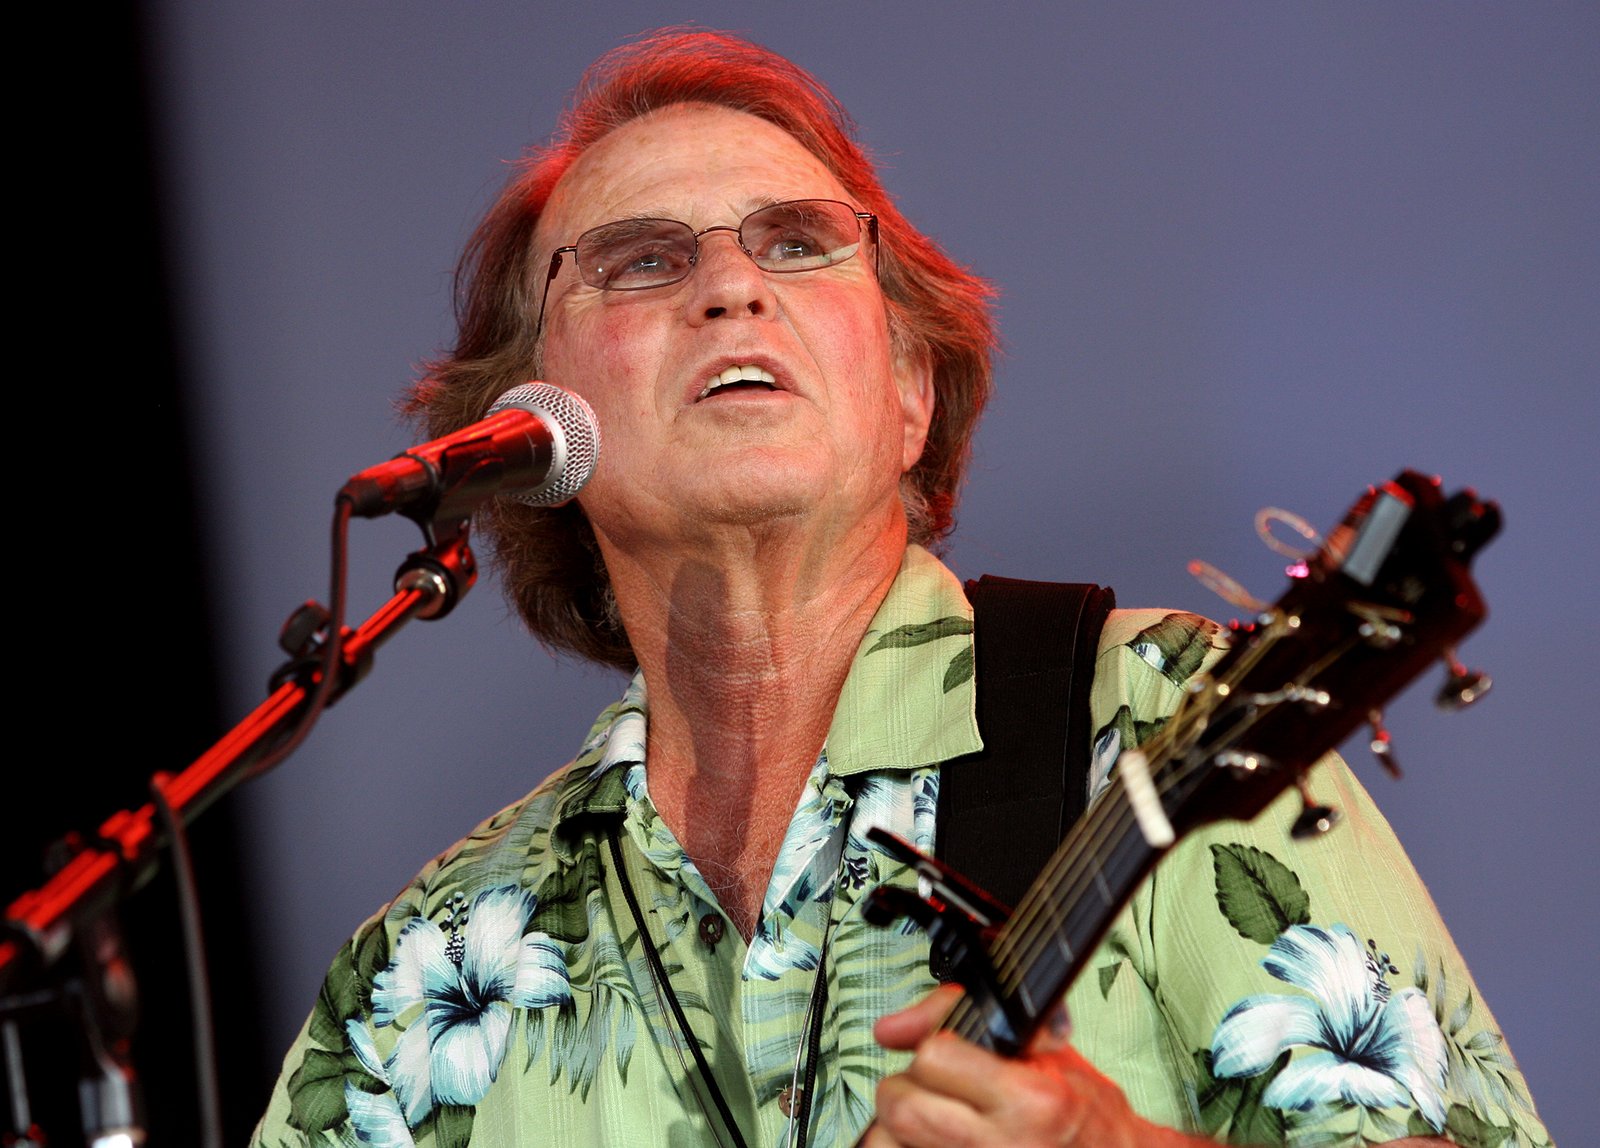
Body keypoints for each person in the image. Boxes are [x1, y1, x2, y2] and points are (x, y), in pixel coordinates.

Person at [254, 30, 1549, 1148]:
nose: (731, 287)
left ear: (910, 393)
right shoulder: (423, 969)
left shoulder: (1158, 716)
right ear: (532, 435)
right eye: (642, 261)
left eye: (797, 242)